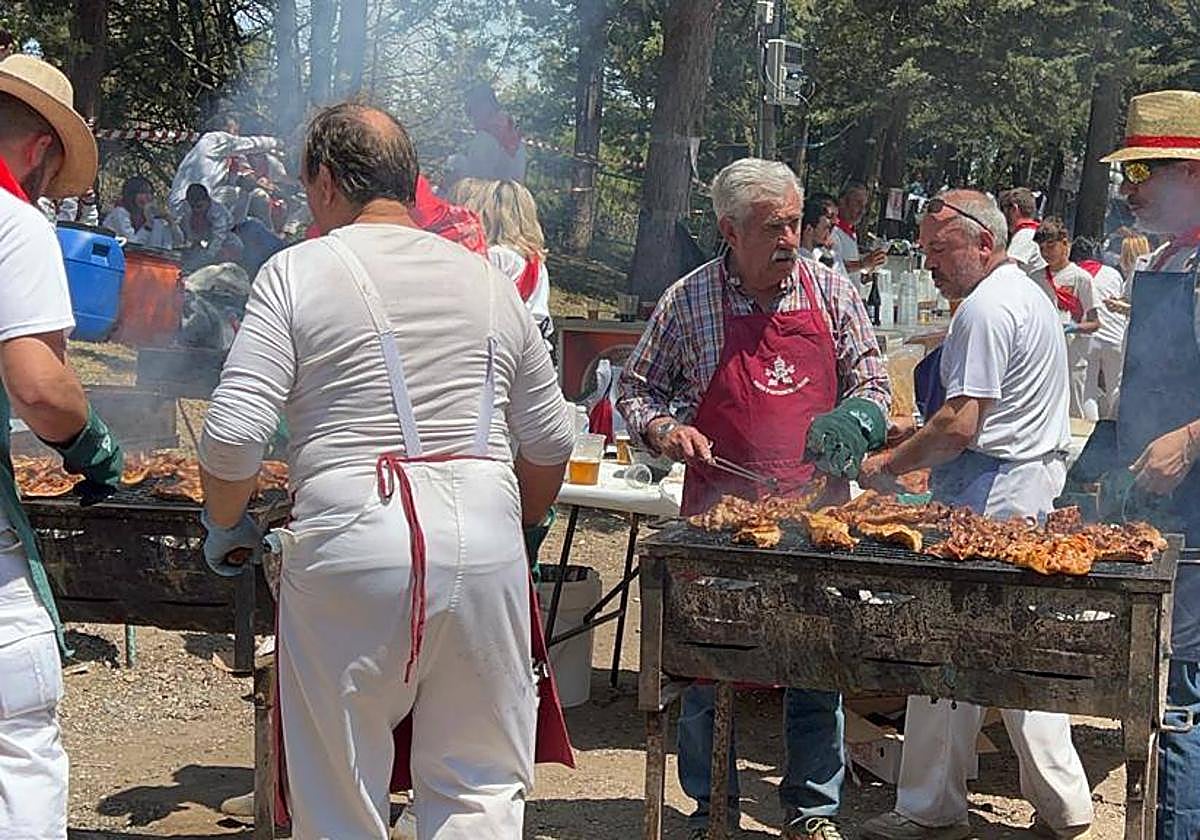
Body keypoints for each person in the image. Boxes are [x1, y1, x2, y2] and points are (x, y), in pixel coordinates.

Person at [197, 102, 575, 839]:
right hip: (486, 539)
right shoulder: (490, 282)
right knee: (479, 788)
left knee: (339, 795)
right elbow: (551, 441)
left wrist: (223, 524)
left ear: (326, 182)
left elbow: (234, 436)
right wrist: (519, 531)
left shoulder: (297, 270)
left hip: (352, 540)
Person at [618, 157, 892, 840]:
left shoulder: (832, 292)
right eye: (773, 227)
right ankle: (712, 810)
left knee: (815, 667)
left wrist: (856, 419)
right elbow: (636, 390)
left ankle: (812, 813)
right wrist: (665, 429)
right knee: (707, 672)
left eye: (794, 223)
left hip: (816, 517)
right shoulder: (688, 301)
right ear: (730, 231)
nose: (789, 239)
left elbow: (875, 383)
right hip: (720, 519)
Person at [857, 190, 1093, 840]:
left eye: (939, 249)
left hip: (993, 498)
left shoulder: (985, 308)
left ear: (983, 243)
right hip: (1022, 485)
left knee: (944, 648)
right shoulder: (1027, 293)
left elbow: (960, 425)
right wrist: (916, 432)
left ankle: (931, 809)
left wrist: (890, 463)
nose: (929, 263)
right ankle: (1064, 805)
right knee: (1014, 651)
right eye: (925, 250)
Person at [0, 53, 124, 840]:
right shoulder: (14, 224)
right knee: (20, 750)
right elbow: (41, 387)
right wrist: (92, 445)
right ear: (42, 148)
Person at [1095, 88, 1200, 840]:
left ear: (1192, 172)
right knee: (1162, 691)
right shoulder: (1167, 258)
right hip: (1159, 512)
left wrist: (1190, 440)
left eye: (1143, 171)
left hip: (1198, 522)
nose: (1129, 189)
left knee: (1182, 700)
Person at [450, 178, 553, 353]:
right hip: (536, 346)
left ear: (493, 212)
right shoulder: (536, 261)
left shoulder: (497, 256)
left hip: (504, 347)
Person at [1033, 217, 1097, 421]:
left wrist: (1073, 327)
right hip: (1043, 355)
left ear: (1064, 243)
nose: (1046, 253)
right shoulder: (1035, 278)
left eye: (1051, 246)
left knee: (1073, 413)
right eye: (1042, 248)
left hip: (1073, 357)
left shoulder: (1081, 278)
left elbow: (1095, 323)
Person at [167, 114, 281, 218]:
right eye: (234, 131)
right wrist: (277, 142)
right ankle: (234, 229)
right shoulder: (215, 139)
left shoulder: (207, 152)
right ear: (224, 129)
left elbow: (226, 184)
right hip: (190, 205)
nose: (236, 135)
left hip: (182, 208)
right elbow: (249, 144)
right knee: (239, 194)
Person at [1070, 236, 1127, 420]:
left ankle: (1090, 430)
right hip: (1115, 337)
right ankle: (1114, 428)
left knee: (1088, 393)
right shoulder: (1113, 273)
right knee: (1116, 390)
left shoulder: (1073, 275)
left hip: (1088, 339)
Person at [445, 83, 526, 186]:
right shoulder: (513, 135)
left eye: (472, 110)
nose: (472, 118)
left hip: (490, 194)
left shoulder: (484, 139)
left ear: (486, 107)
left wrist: (457, 170)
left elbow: (478, 183)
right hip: (513, 194)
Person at [102, 176, 179, 249]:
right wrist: (148, 225)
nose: (148, 197)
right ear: (131, 195)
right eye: (142, 193)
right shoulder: (119, 213)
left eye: (150, 193)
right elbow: (133, 245)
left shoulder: (153, 219)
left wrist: (170, 221)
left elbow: (177, 243)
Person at [180, 183, 243, 269]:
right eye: (192, 206)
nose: (195, 210)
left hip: (225, 244)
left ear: (208, 201)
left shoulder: (218, 212)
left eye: (199, 206)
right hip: (201, 244)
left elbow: (219, 236)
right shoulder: (186, 208)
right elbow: (185, 227)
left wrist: (208, 256)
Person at [998, 186, 1046, 285]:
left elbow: (1007, 270)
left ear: (1014, 209)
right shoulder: (1034, 232)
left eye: (1004, 209)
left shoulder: (1025, 235)